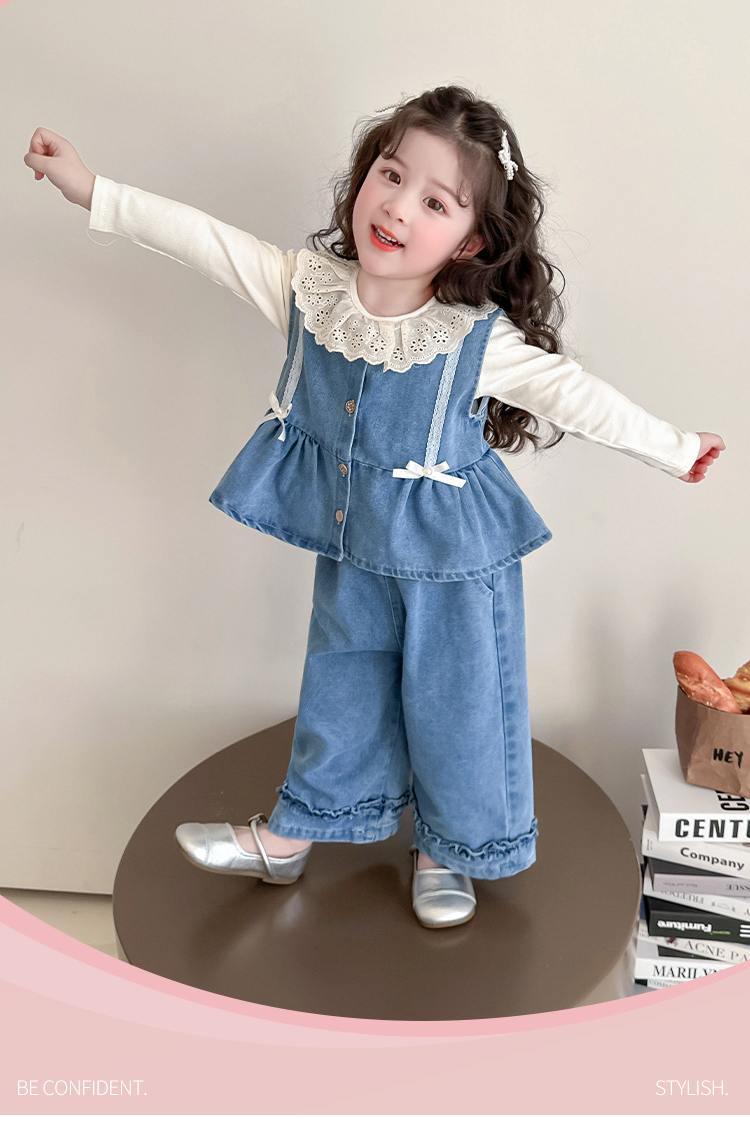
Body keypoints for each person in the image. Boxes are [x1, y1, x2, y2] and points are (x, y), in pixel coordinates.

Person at [24, 86, 725, 929]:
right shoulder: (307, 288)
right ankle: (291, 835)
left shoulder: (472, 337)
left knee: (456, 702)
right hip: (354, 542)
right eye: (391, 175)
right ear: (364, 176)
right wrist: (92, 188)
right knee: (341, 685)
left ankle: (447, 849)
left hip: (456, 563)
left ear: (471, 239)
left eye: (435, 201)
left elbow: (575, 395)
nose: (397, 207)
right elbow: (204, 239)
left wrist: (675, 447)